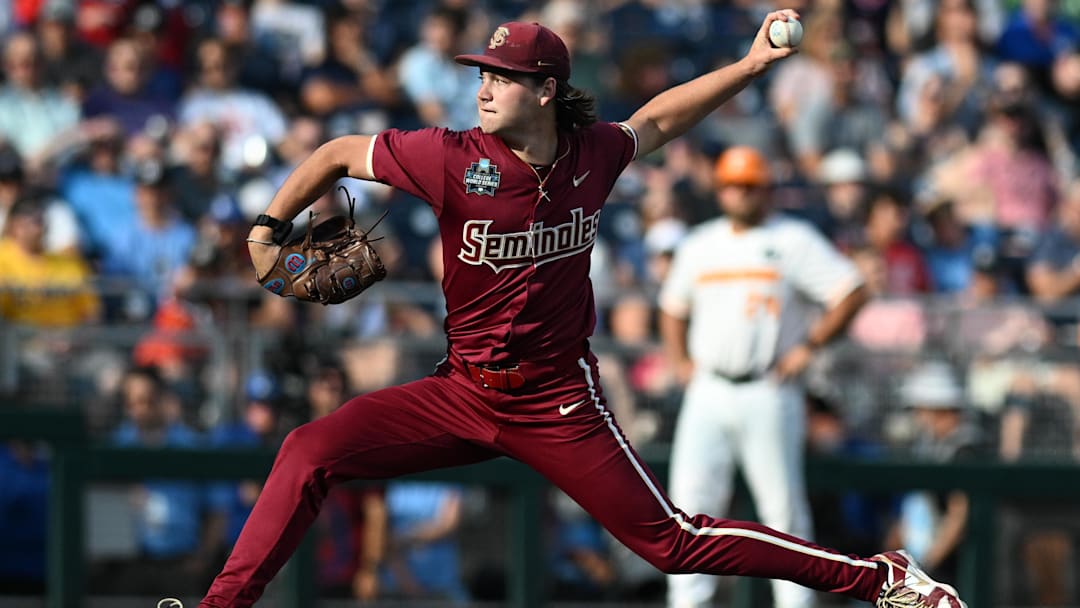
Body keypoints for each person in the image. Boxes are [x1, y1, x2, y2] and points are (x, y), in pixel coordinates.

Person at [199, 16, 967, 608]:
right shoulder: (449, 156)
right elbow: (336, 151)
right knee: (308, 449)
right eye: (482, 74)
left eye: (501, 76)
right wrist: (267, 227)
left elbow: (659, 120)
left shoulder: (590, 153)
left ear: (543, 91)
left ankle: (879, 578)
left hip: (556, 398)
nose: (483, 88)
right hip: (463, 390)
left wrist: (751, 64)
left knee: (673, 543)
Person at [658, 145, 870, 608]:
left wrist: (809, 346)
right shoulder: (699, 244)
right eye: (732, 185)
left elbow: (852, 290)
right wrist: (680, 362)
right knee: (689, 508)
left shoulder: (792, 239)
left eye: (749, 185)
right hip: (709, 387)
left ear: (766, 189)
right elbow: (672, 309)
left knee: (783, 512)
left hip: (768, 387)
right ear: (719, 189)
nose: (740, 193)